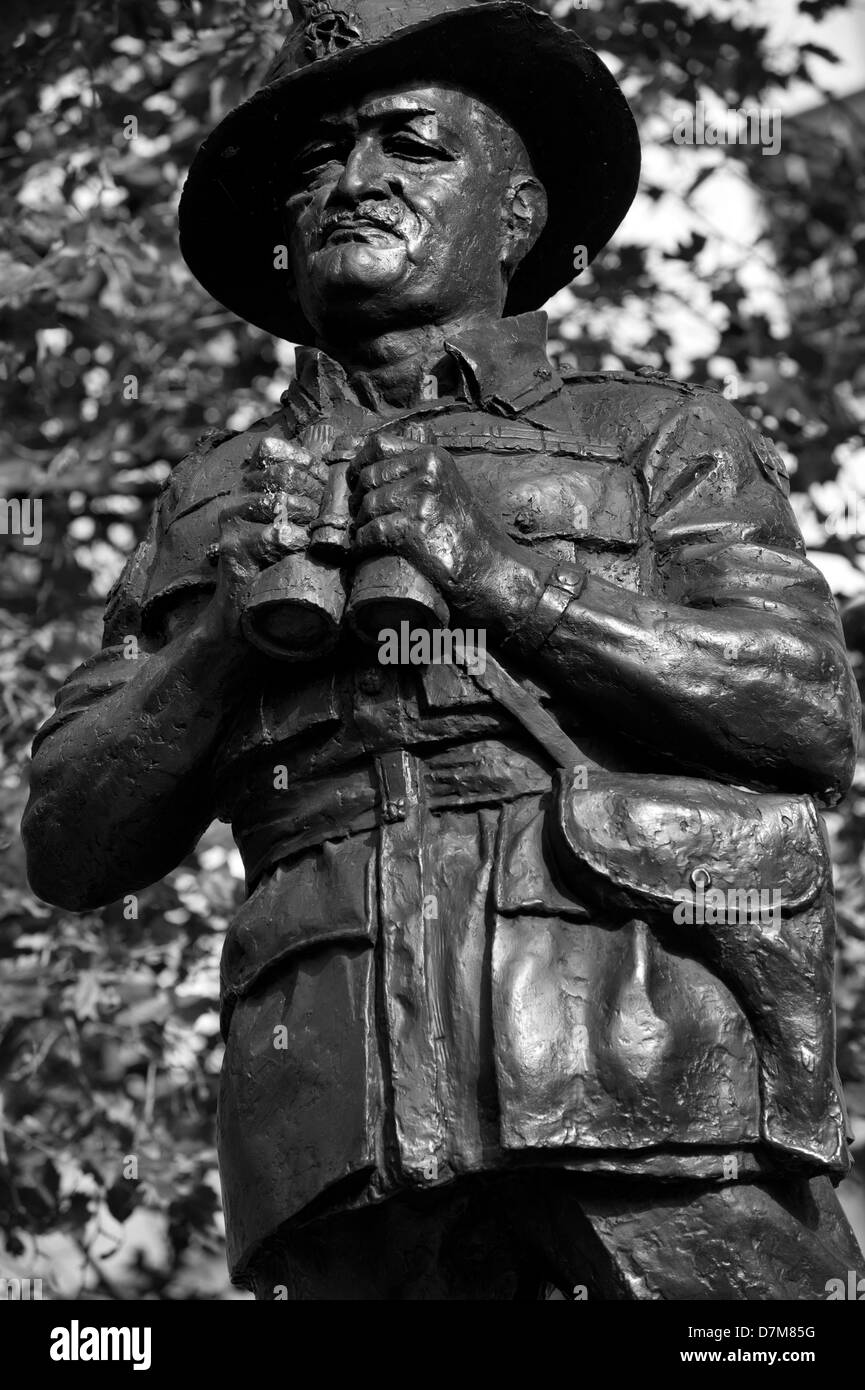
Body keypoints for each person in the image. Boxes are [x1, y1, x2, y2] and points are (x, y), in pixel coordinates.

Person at [23, 0, 864, 1298]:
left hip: (641, 1087)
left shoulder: (658, 436)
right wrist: (218, 647)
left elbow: (800, 708)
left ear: (516, 215)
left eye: (408, 146)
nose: (352, 183)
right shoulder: (209, 501)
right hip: (329, 1127)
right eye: (316, 164)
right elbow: (70, 839)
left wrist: (501, 578)